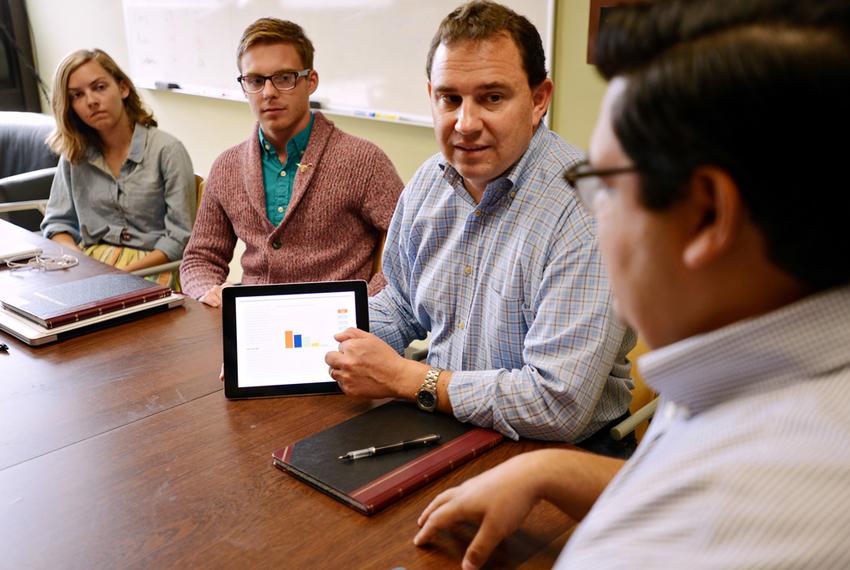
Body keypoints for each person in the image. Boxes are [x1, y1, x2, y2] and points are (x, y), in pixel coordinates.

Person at [412, 0, 850, 568]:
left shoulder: (683, 540)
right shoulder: (750, 371)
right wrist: (547, 467)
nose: (595, 210)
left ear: (707, 217)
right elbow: (671, 474)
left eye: (606, 185)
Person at [325, 1, 635, 451]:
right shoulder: (429, 182)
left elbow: (557, 404)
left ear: (539, 99)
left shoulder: (589, 210)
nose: (466, 124)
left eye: (492, 97)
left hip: (563, 454)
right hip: (446, 424)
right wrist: (318, 348)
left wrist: (407, 378)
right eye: (450, 99)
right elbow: (401, 303)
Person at [179, 18, 403, 305]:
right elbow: (200, 257)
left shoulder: (363, 161)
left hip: (339, 331)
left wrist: (363, 307)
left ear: (310, 82)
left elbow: (409, 250)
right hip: (254, 329)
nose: (269, 93)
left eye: (284, 78)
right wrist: (208, 292)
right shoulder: (227, 166)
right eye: (256, 81)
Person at [41, 48, 196, 289]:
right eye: (77, 95)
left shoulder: (168, 150)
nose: (91, 101)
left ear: (123, 88)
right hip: (89, 265)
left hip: (154, 266)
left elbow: (180, 239)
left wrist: (119, 274)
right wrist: (79, 262)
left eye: (99, 87)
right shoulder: (74, 153)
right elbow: (57, 224)